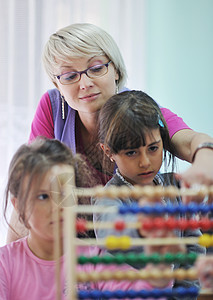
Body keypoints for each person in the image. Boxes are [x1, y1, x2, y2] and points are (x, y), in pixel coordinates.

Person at [7, 22, 213, 243]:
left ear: (115, 70)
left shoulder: (136, 109)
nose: (85, 84)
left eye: (96, 69)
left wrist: (204, 160)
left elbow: (191, 141)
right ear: (57, 84)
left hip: (128, 237)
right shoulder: (52, 107)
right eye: (69, 76)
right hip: (70, 235)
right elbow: (29, 185)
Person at [0, 137, 174, 300]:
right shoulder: (4, 264)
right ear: (19, 205)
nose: (58, 206)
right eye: (43, 197)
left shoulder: (94, 259)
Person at [93, 90, 206, 300]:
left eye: (153, 148)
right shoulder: (108, 197)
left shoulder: (177, 187)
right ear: (108, 152)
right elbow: (112, 234)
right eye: (131, 152)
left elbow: (193, 247)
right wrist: (145, 232)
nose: (145, 162)